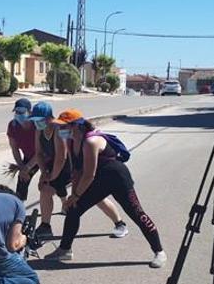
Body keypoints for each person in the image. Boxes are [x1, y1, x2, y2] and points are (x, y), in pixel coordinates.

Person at [44, 109, 167, 268]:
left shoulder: (91, 141)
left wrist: (75, 195)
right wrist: (72, 197)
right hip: (99, 180)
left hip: (117, 178)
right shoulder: (71, 141)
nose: (59, 130)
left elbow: (89, 175)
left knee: (137, 213)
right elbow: (77, 172)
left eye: (63, 126)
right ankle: (65, 249)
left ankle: (159, 251)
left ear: (75, 126)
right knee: (73, 209)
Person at [30, 102, 129, 240]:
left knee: (95, 197)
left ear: (48, 118)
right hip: (56, 168)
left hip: (71, 167)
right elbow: (39, 153)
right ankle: (46, 226)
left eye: (38, 120)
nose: (36, 123)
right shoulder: (39, 131)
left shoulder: (59, 130)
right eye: (34, 120)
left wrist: (51, 177)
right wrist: (44, 174)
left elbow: (62, 157)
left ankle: (120, 223)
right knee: (46, 191)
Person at [7, 98, 39, 201]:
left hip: (45, 156)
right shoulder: (13, 126)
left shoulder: (37, 125)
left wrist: (28, 167)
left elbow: (41, 151)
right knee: (22, 180)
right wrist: (22, 167)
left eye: (21, 112)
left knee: (53, 184)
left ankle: (64, 202)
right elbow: (15, 149)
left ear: (30, 112)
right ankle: (19, 207)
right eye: (16, 112)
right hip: (29, 156)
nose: (18, 114)